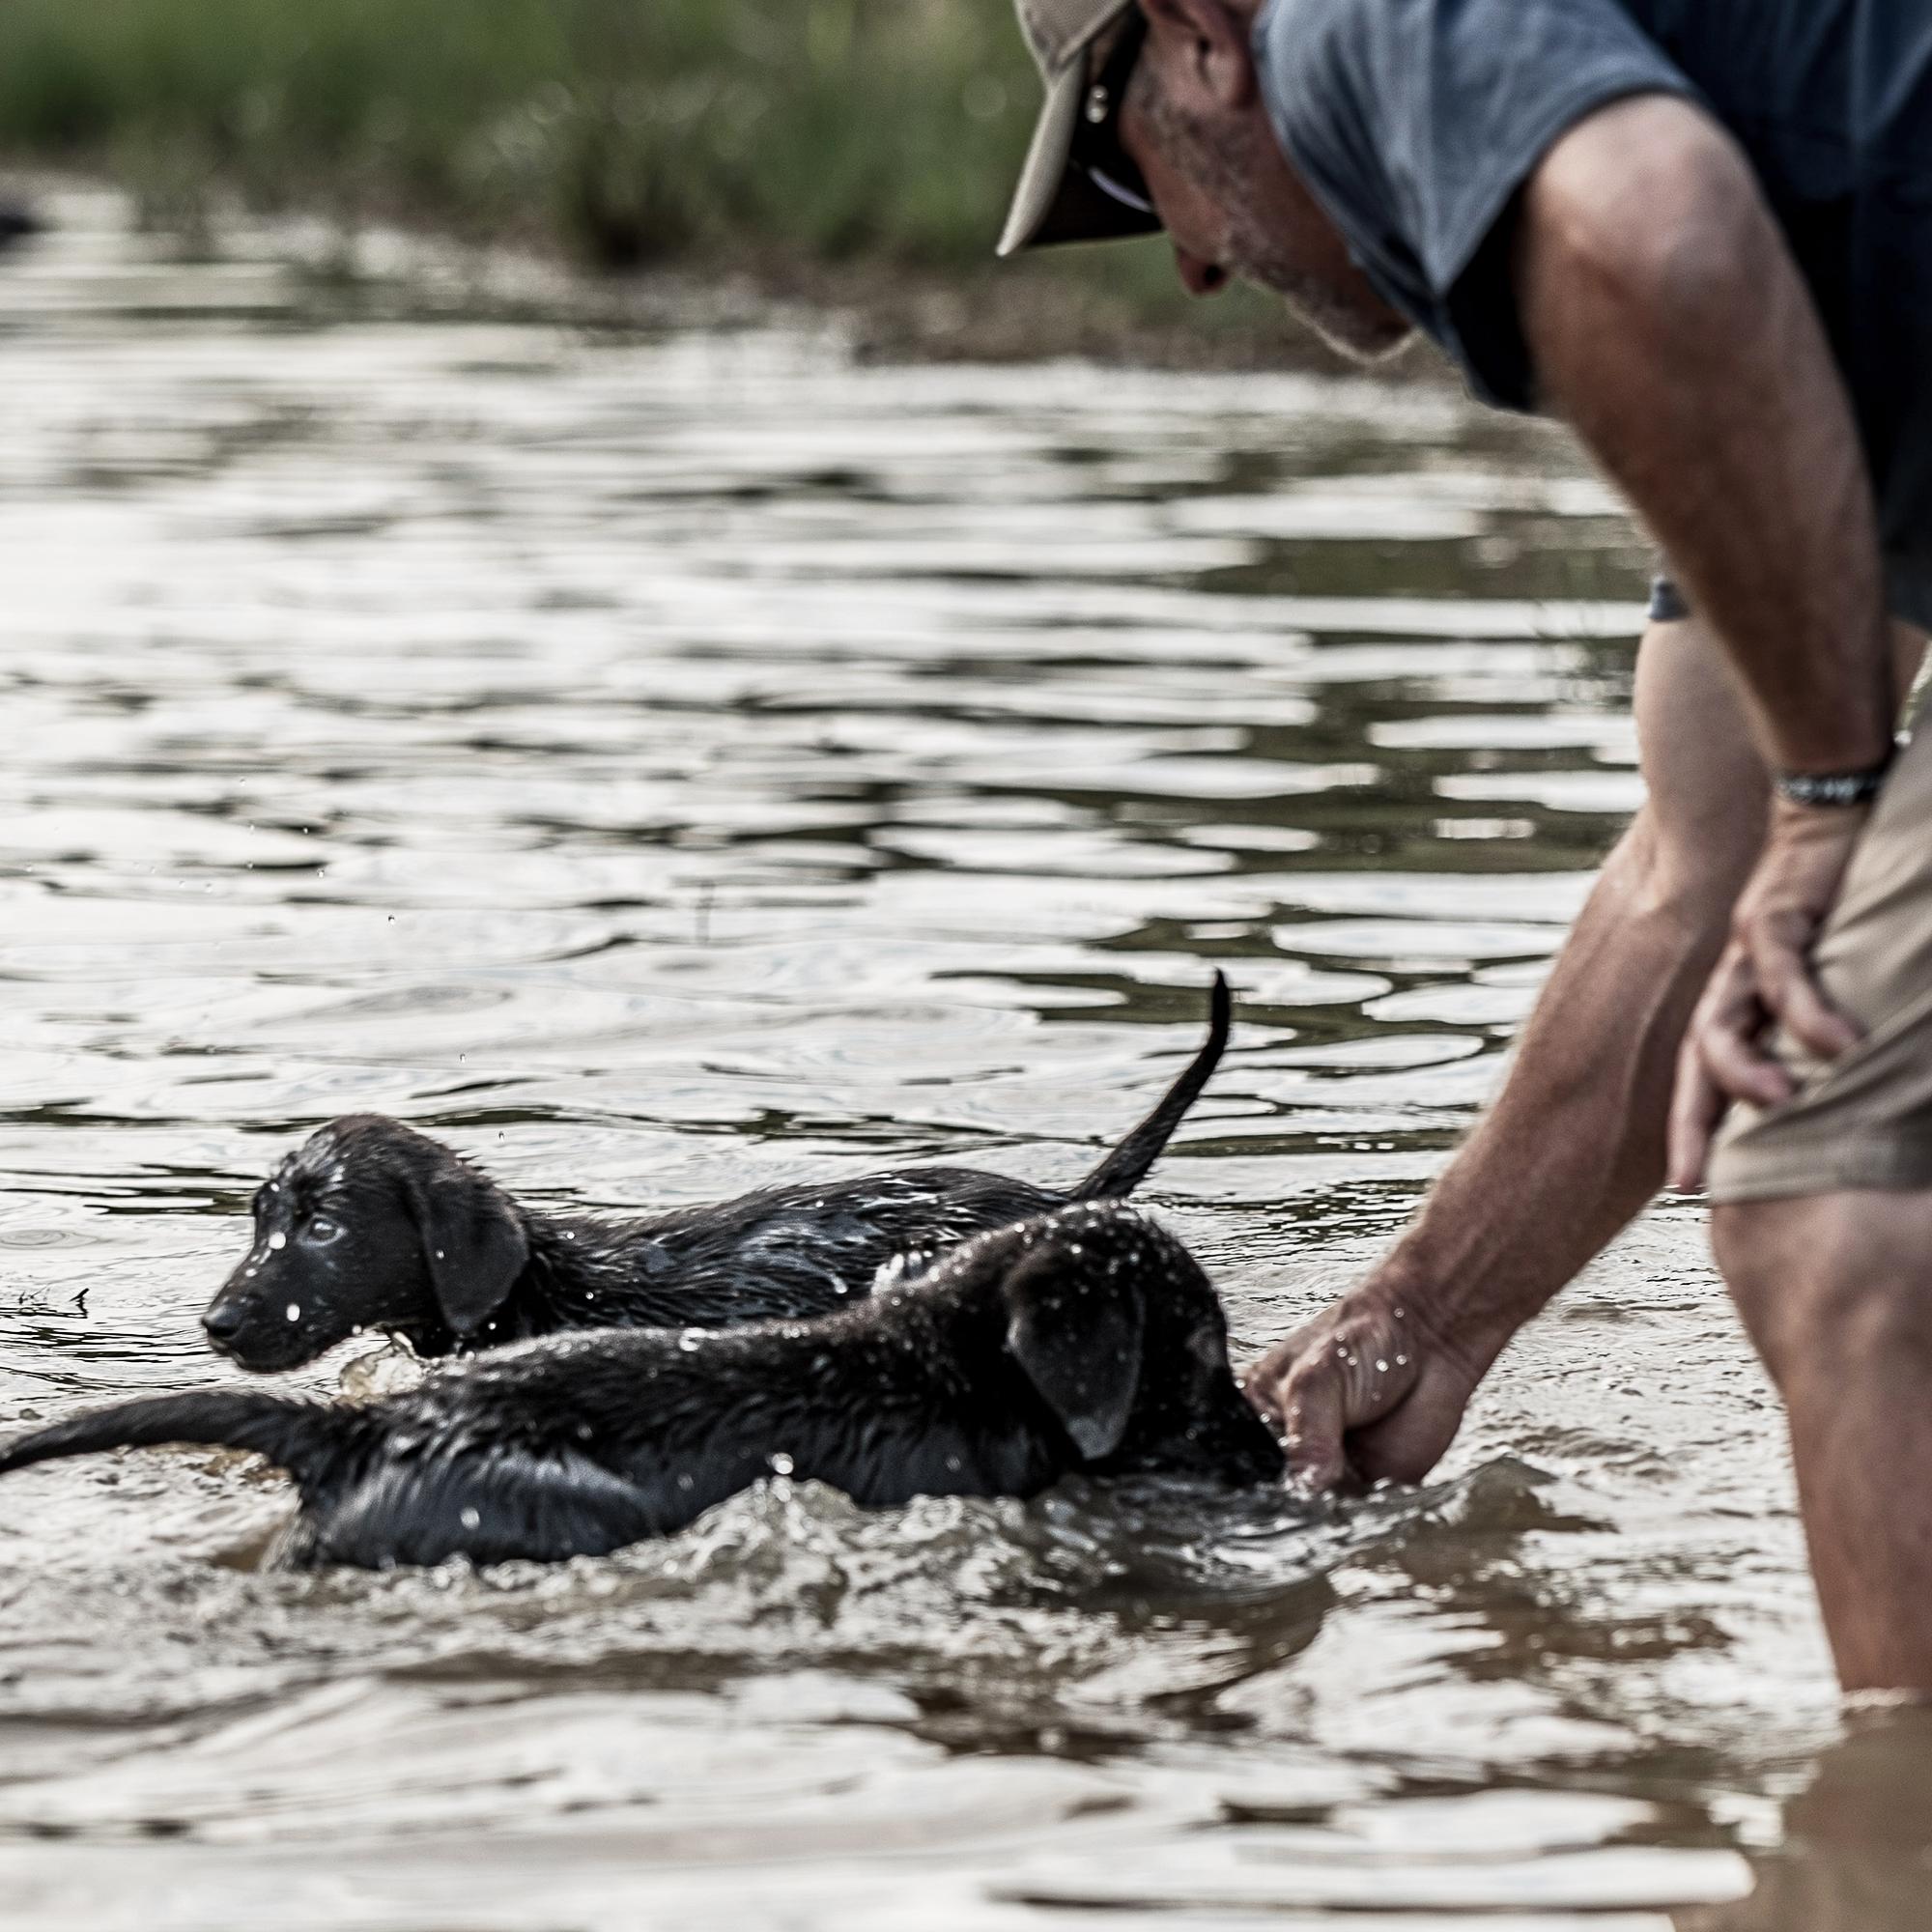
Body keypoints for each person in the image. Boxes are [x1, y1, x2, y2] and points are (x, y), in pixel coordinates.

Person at [1000, 0, 1932, 1692]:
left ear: (1202, 34)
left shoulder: (1356, 27)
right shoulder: (1778, 305)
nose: (1194, 267)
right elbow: (1694, 866)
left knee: (1835, 1200)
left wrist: (1829, 800)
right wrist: (1424, 1315)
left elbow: (1659, 225)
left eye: (1136, 180)